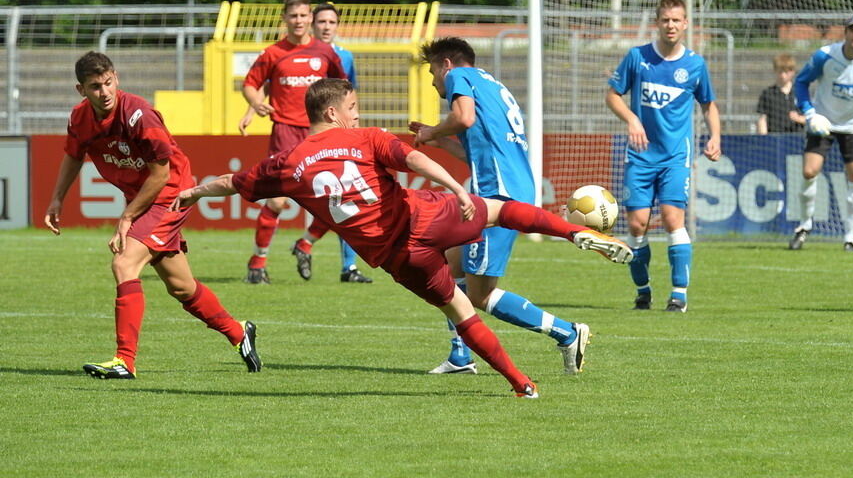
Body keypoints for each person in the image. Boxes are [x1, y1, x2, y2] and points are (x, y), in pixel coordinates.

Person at [174, 78, 633, 398]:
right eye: (352, 108)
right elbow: (415, 162)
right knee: (501, 211)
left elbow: (231, 183)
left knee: (461, 309)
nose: (358, 115)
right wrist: (457, 189)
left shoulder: (287, 164)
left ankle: (522, 383)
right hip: (426, 216)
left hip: (397, 258)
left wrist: (194, 191)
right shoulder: (367, 138)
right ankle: (574, 232)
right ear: (332, 111)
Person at [43, 52, 261, 379]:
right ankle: (238, 332)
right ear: (81, 90)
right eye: (95, 87)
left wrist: (127, 217)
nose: (104, 92)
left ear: (116, 77)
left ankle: (124, 360)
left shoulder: (139, 115)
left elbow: (161, 175)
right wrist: (57, 199)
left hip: (169, 194)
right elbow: (74, 156)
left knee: (123, 263)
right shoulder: (79, 118)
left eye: (108, 83)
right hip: (143, 197)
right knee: (181, 287)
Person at [410, 37, 590, 377]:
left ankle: (567, 332)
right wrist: (438, 139)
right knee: (447, 263)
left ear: (446, 64)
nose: (434, 81)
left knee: (480, 294)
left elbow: (462, 118)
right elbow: (473, 151)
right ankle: (460, 356)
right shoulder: (489, 85)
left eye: (433, 71)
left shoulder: (459, 77)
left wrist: (435, 128)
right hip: (505, 187)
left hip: (498, 195)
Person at [237, 0, 367, 285]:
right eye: (293, 16)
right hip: (285, 132)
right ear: (285, 18)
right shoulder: (273, 53)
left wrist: (349, 119)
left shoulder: (325, 53)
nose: (298, 21)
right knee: (279, 202)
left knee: (340, 198)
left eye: (303, 16)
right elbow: (250, 84)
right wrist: (255, 104)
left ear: (310, 18)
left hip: (320, 132)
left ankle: (305, 243)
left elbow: (344, 89)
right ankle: (257, 264)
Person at [605, 0, 722, 313]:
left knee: (673, 219)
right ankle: (643, 291)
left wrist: (715, 136)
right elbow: (613, 95)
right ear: (658, 23)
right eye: (665, 20)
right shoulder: (637, 57)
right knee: (637, 226)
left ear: (685, 24)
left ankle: (678, 294)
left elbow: (708, 104)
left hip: (675, 157)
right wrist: (631, 119)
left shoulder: (695, 64)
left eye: (677, 20)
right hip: (640, 155)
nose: (671, 25)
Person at [788, 14, 853, 252]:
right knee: (809, 170)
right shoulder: (825, 56)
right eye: (852, 30)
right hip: (823, 121)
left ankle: (850, 236)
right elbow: (802, 82)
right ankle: (804, 226)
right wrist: (810, 113)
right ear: (845, 32)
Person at [755, 54, 806, 134]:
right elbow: (762, 119)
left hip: (797, 140)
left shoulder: (801, 92)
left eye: (786, 72)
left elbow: (811, 119)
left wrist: (798, 118)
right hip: (774, 139)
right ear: (775, 71)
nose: (783, 75)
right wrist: (764, 139)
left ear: (792, 71)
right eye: (780, 72)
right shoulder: (768, 93)